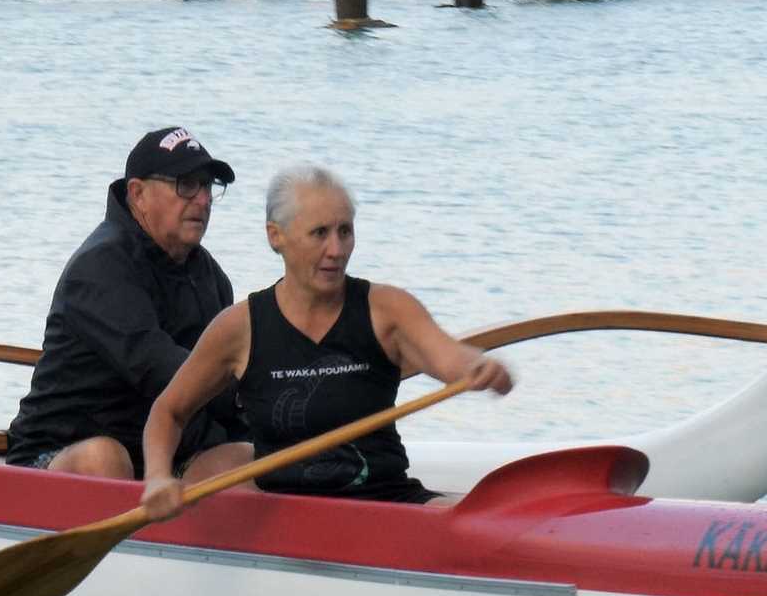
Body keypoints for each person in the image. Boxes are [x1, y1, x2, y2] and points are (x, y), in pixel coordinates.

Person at [138, 165, 512, 522]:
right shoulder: (241, 327)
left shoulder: (387, 309)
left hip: (386, 504)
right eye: (320, 233)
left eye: (345, 231)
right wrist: (157, 477)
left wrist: (476, 368)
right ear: (275, 236)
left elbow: (448, 357)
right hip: (288, 518)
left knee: (483, 517)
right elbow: (168, 412)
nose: (336, 250)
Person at [6, 127, 241, 477]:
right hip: (59, 450)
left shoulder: (211, 277)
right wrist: (259, 396)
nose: (203, 200)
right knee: (106, 458)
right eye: (187, 185)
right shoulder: (100, 268)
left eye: (207, 186)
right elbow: (163, 371)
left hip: (161, 455)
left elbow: (225, 375)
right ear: (138, 193)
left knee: (250, 459)